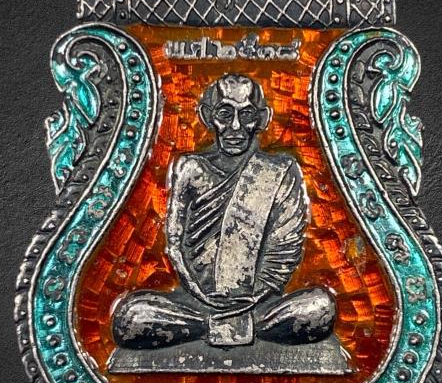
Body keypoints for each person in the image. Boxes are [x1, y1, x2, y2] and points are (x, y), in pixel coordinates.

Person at [113, 73, 341, 351]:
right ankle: (223, 325)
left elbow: (285, 251)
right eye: (225, 113)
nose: (235, 126)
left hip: (257, 305)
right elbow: (174, 246)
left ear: (262, 119)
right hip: (197, 302)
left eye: (246, 115)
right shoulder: (191, 169)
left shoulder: (280, 171)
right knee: (130, 317)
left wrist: (252, 299)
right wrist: (203, 297)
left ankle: (221, 326)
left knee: (320, 307)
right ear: (207, 116)